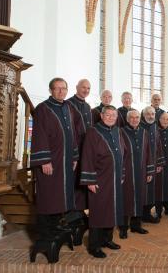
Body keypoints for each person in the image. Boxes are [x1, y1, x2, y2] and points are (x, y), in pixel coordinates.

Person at [30, 77, 81, 239]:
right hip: (51, 161)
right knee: (49, 195)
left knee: (62, 194)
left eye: (64, 88)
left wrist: (74, 156)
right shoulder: (43, 108)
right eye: (57, 88)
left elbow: (72, 133)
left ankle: (58, 225)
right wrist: (45, 160)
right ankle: (46, 231)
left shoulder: (68, 107)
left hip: (65, 161)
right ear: (51, 90)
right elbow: (40, 136)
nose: (61, 91)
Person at [80, 105, 127, 258]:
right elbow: (87, 156)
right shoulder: (93, 132)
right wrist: (90, 181)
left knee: (112, 210)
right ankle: (94, 246)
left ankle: (107, 240)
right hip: (100, 179)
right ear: (101, 115)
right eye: (108, 115)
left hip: (115, 179)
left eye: (114, 115)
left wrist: (122, 174)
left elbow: (123, 154)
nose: (111, 117)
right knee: (99, 212)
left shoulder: (117, 130)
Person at [119, 110, 154, 239]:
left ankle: (136, 225)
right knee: (126, 199)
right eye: (132, 117)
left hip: (141, 171)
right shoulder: (121, 132)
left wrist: (149, 171)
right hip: (127, 172)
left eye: (137, 117)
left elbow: (148, 152)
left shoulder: (144, 132)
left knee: (139, 198)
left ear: (140, 119)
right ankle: (123, 227)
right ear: (127, 119)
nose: (134, 119)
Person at [66, 79, 92, 240]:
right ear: (76, 88)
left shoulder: (88, 107)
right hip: (74, 152)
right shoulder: (68, 104)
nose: (86, 90)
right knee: (74, 183)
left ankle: (81, 213)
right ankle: (74, 216)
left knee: (84, 182)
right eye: (83, 87)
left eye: (88, 88)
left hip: (87, 151)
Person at [141, 106, 165, 223]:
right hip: (141, 163)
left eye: (152, 114)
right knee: (142, 189)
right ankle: (138, 215)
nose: (150, 116)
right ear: (143, 115)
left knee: (151, 190)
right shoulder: (139, 126)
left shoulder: (155, 126)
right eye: (148, 114)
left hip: (154, 163)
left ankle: (147, 213)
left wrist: (160, 162)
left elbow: (159, 144)